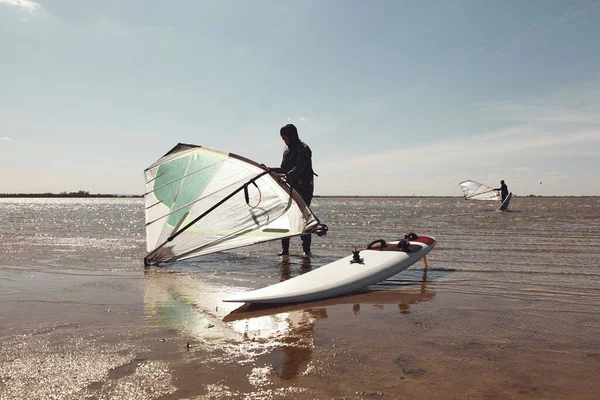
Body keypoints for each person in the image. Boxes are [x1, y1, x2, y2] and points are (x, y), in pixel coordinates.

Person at [277, 124, 315, 258]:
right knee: (286, 216)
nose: (284, 140)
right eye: (282, 138)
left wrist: (287, 175)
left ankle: (306, 250)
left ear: (290, 136)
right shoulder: (286, 151)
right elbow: (283, 169)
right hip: (290, 188)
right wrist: (270, 170)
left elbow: (300, 168)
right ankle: (285, 250)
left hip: (303, 188)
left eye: (285, 137)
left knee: (303, 217)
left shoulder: (303, 149)